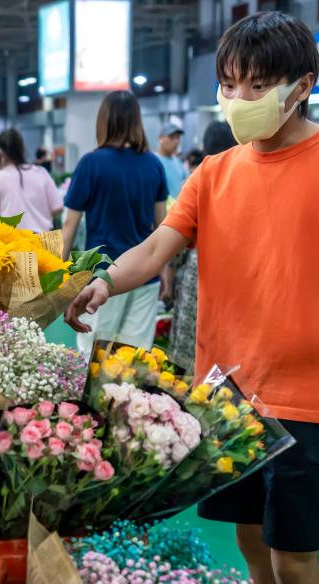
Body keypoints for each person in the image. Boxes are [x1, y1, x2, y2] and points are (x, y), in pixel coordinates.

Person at [65, 12, 319, 584]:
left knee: (295, 563)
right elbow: (153, 250)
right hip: (226, 400)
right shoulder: (212, 172)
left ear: (301, 87)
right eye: (229, 84)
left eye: (255, 85)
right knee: (253, 551)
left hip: (309, 401)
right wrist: (100, 283)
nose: (238, 99)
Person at [60, 89, 169, 354]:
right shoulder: (154, 165)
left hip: (101, 276)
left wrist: (61, 278)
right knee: (133, 359)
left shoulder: (90, 164)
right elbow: (163, 228)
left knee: (93, 354)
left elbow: (69, 227)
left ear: (103, 121)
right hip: (144, 276)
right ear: (137, 122)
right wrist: (165, 275)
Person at [167, 121, 237, 373]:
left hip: (199, 276)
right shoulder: (247, 179)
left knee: (189, 357)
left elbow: (173, 242)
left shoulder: (199, 179)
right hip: (238, 282)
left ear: (205, 146)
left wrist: (169, 279)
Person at [0, 129, 64, 233]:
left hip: (16, 242)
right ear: (22, 148)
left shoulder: (0, 177)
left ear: (0, 152)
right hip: (43, 241)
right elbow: (58, 207)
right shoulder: (41, 172)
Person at [156, 122, 188, 198]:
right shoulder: (154, 161)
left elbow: (188, 181)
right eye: (171, 137)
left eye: (178, 137)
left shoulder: (179, 163)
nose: (176, 141)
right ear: (161, 138)